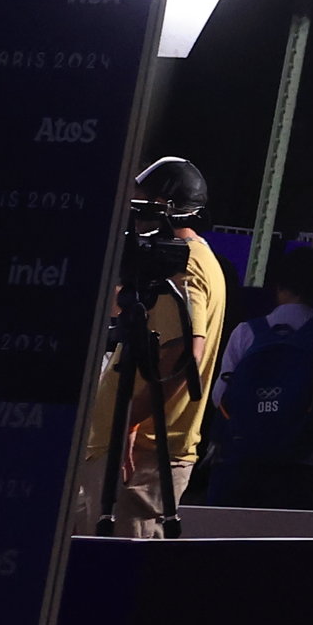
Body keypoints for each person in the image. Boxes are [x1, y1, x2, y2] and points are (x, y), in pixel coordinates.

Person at [90, 158, 224, 537]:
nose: (134, 210)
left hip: (142, 456)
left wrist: (129, 420)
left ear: (166, 206)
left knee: (113, 577)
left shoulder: (185, 265)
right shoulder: (171, 262)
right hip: (129, 452)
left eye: (142, 201)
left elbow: (184, 354)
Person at [203, 244, 313, 508]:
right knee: (284, 540)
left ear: (279, 286)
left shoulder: (245, 332)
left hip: (239, 456)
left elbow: (219, 397)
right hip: (298, 461)